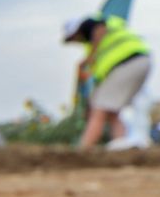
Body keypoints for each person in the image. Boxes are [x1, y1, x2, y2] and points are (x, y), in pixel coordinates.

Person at [64, 15, 151, 149]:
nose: (76, 41)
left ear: (76, 31)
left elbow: (99, 28)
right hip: (138, 62)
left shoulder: (90, 26)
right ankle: (120, 145)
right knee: (112, 111)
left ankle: (83, 150)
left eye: (73, 38)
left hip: (127, 63)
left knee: (99, 109)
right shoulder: (95, 44)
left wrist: (90, 58)